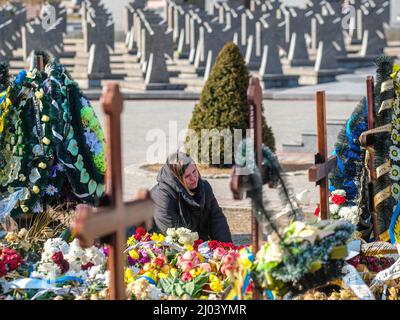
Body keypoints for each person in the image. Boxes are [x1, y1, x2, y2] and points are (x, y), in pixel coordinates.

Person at [150, 152, 232, 242]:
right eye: (187, 176)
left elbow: (216, 219)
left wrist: (226, 247)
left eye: (194, 171)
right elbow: (173, 233)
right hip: (161, 245)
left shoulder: (204, 187)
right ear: (177, 178)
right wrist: (197, 251)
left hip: (194, 243)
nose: (194, 178)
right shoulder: (162, 196)